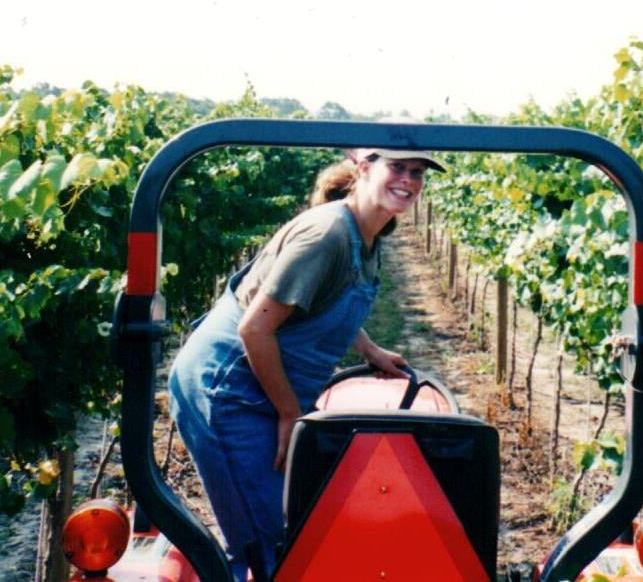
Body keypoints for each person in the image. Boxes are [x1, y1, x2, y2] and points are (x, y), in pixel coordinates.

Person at [168, 145, 445, 580]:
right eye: (397, 167)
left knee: (308, 515)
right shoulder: (327, 236)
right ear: (364, 167)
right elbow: (254, 330)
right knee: (273, 535)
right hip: (227, 388)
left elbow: (318, 302)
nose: (408, 180)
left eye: (417, 172)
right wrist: (289, 414)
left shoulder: (371, 234)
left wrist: (368, 348)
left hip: (261, 383)